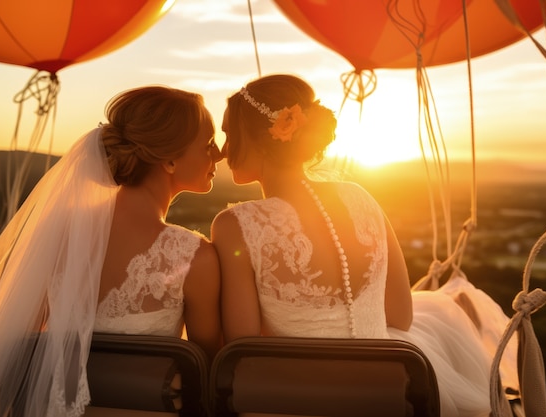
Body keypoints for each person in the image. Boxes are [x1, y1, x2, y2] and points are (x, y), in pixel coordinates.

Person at [211, 74, 518, 416]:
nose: (223, 150)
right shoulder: (361, 199)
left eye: (228, 133)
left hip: (296, 399)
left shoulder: (235, 225)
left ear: (262, 138)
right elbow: (401, 317)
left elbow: (243, 350)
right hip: (390, 392)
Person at [0, 86, 223, 416]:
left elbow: (13, 343)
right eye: (209, 144)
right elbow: (210, 372)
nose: (219, 154)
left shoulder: (60, 235)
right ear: (169, 159)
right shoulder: (194, 256)